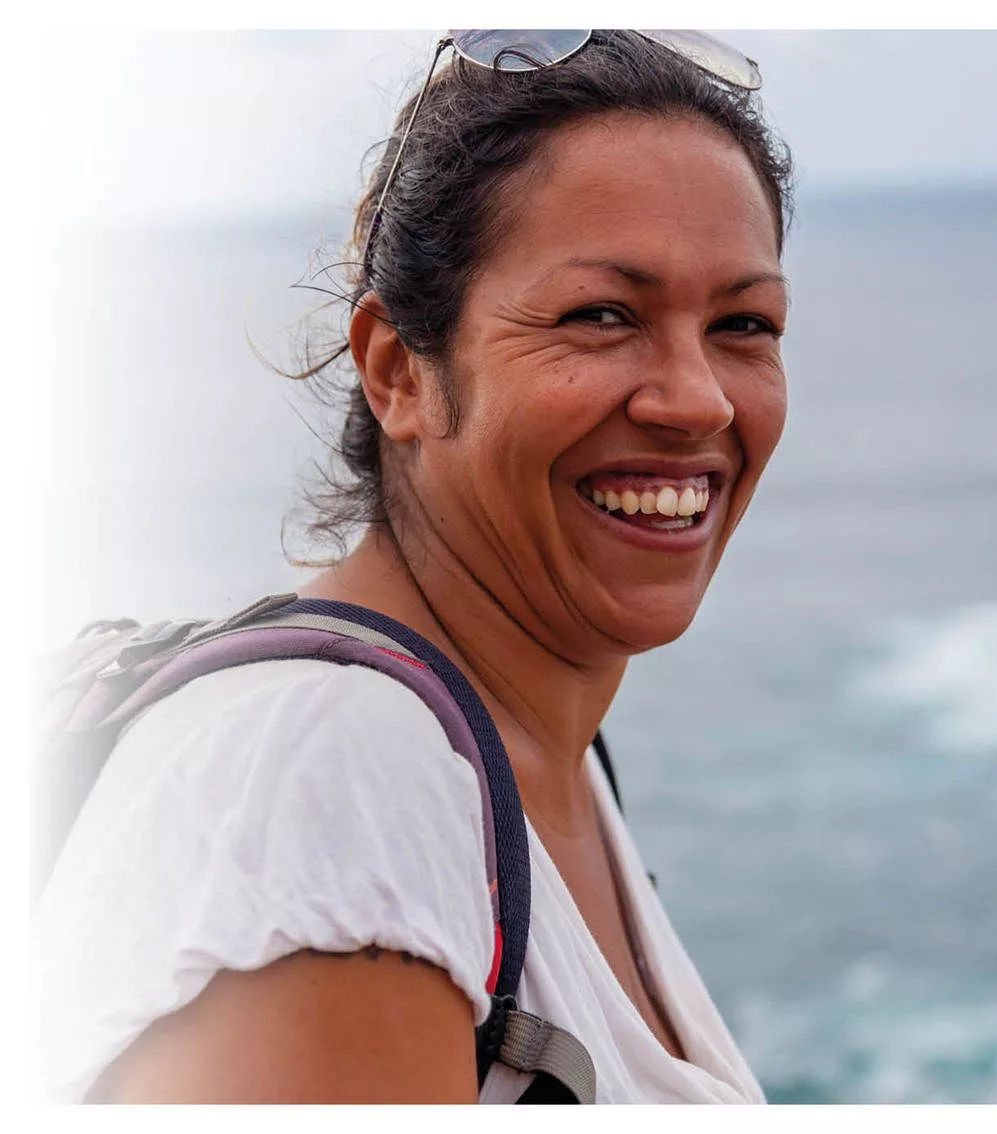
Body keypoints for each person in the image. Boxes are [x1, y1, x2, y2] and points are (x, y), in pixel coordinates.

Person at [37, 30, 790, 1103]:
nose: (698, 399)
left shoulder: (534, 754)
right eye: (601, 316)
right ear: (399, 372)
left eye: (744, 324)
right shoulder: (328, 778)